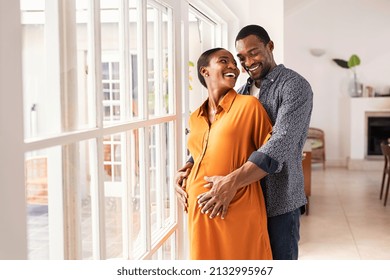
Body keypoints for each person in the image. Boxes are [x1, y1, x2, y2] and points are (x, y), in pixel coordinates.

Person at [175, 25, 313, 260]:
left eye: (254, 52)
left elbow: (281, 142)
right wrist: (190, 164)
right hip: (242, 200)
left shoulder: (294, 86)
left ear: (270, 47)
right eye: (241, 58)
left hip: (279, 199)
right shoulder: (240, 91)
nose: (247, 62)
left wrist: (230, 182)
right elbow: (222, 134)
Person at [184, 47, 273, 260]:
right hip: (200, 213)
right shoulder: (195, 117)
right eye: (224, 61)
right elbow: (200, 156)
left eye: (234, 62)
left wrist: (232, 184)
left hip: (238, 209)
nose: (233, 66)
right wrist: (184, 173)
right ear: (205, 71)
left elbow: (271, 157)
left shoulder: (249, 106)